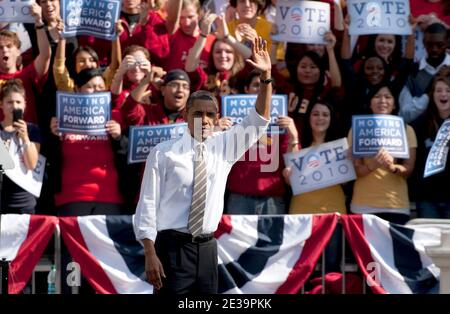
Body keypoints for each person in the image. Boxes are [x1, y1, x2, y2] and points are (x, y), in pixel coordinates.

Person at [134, 37, 272, 294]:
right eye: (198, 113)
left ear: (217, 117)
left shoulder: (225, 146)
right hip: (170, 250)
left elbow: (259, 119)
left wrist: (266, 78)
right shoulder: (164, 153)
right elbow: (147, 205)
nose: (205, 120)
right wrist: (149, 252)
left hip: (208, 249)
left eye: (211, 114)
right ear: (186, 115)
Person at [348, 84, 417, 225]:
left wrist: (393, 167)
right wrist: (371, 166)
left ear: (394, 104)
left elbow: (408, 169)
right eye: (377, 96)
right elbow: (353, 170)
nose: (382, 101)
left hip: (395, 205)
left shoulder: (406, 129)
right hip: (362, 205)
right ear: (370, 103)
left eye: (388, 97)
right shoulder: (356, 128)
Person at [411, 71, 450, 218]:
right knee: (429, 241)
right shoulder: (420, 124)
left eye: (448, 90)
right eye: (438, 90)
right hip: (427, 198)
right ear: (432, 95)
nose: (443, 94)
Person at [0, 79, 41, 214]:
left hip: (24, 202)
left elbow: (32, 164)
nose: (14, 106)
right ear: (1, 104)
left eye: (18, 102)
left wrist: (25, 138)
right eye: (9, 102)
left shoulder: (32, 130)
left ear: (25, 105)